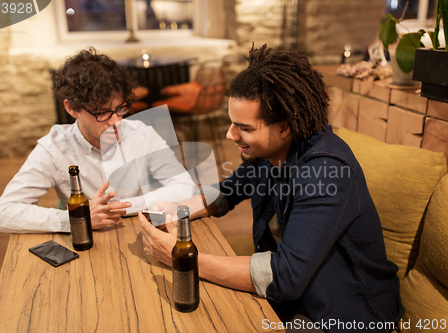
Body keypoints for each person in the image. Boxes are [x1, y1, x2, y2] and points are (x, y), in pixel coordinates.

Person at [140, 44, 404, 332]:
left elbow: (285, 276)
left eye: (245, 128)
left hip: (346, 315)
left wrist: (184, 258)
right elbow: (229, 190)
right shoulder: (270, 152)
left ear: (286, 126)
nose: (231, 135)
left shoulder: (325, 172)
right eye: (231, 122)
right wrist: (177, 209)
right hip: (295, 300)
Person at [0, 48, 196, 233]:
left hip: (140, 233)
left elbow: (186, 186)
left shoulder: (142, 134)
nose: (116, 122)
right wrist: (78, 218)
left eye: (120, 109)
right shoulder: (54, 148)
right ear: (71, 108)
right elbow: (2, 214)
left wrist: (123, 207)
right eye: (102, 113)